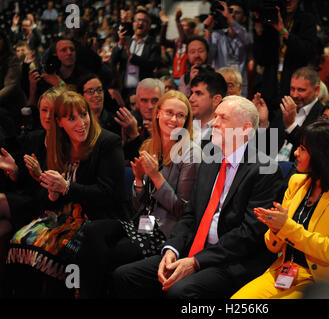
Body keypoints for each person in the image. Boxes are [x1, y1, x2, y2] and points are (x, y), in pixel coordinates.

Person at [113, 95, 282, 299]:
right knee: (125, 276)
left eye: (223, 118)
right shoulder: (210, 161)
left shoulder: (265, 170)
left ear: (245, 129)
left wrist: (196, 262)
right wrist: (172, 249)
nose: (213, 123)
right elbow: (190, 215)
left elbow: (248, 234)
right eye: (215, 116)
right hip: (192, 249)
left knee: (180, 291)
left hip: (231, 261)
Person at [78, 90, 201, 298]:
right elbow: (138, 206)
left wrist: (155, 177)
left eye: (181, 115)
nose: (174, 119)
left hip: (165, 232)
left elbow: (183, 210)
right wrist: (137, 180)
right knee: (93, 231)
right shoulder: (149, 145)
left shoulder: (191, 154)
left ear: (187, 121)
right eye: (169, 112)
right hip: (143, 223)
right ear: (158, 114)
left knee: (110, 255)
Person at [7, 90, 127, 297]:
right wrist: (53, 193)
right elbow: (50, 196)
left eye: (84, 114)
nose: (81, 123)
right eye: (72, 118)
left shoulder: (108, 142)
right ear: (60, 122)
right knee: (20, 239)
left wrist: (66, 188)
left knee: (48, 247)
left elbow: (107, 193)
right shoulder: (60, 146)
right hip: (63, 216)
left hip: (99, 219)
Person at [232, 120, 329, 299]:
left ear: (323, 156)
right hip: (285, 271)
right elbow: (272, 246)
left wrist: (286, 226)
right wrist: (275, 228)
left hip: (323, 282)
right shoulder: (297, 182)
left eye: (303, 149)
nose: (296, 153)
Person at [0, 85, 64, 296]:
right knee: (3, 229)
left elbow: (59, 193)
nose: (47, 116)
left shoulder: (68, 143)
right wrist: (16, 172)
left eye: (52, 110)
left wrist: (38, 175)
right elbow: (22, 184)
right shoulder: (34, 138)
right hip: (28, 202)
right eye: (43, 110)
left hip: (51, 208)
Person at [252, 0, 318, 112]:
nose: (287, 0)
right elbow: (261, 59)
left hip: (294, 88)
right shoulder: (271, 19)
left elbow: (307, 52)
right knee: (271, 129)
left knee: (289, 127)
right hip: (270, 87)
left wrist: (283, 32)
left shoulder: (307, 19)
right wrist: (258, 29)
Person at [203, 1, 251, 97]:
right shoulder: (217, 35)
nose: (232, 14)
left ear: (244, 17)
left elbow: (247, 40)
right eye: (230, 11)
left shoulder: (245, 35)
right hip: (220, 82)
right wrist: (207, 31)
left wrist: (228, 17)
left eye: (237, 12)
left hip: (238, 83)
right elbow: (209, 58)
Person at [111, 9, 161, 100]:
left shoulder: (153, 45)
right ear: (133, 24)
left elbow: (152, 65)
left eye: (144, 21)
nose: (140, 23)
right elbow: (113, 60)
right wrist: (120, 43)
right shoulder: (126, 41)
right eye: (137, 20)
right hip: (124, 90)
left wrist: (132, 57)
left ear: (149, 26)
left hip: (144, 92)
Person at [114, 78, 164, 161]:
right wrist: (124, 143)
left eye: (155, 100)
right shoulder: (127, 121)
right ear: (137, 102)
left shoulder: (170, 123)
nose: (150, 106)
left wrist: (136, 136)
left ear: (162, 101)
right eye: (144, 100)